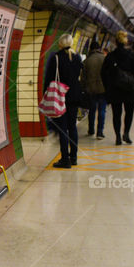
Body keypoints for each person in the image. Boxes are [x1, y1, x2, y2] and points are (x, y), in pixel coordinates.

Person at [44, 33, 84, 168]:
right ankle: (74, 157)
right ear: (71, 43)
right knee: (72, 127)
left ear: (60, 44)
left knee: (62, 129)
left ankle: (65, 159)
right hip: (74, 97)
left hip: (60, 97)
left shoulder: (56, 57)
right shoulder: (77, 57)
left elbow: (49, 79)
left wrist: (46, 94)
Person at [101, 31, 134, 145]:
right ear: (126, 41)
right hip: (129, 88)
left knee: (116, 114)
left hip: (115, 89)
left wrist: (107, 86)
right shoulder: (131, 55)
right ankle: (126, 133)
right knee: (129, 112)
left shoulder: (110, 56)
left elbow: (103, 73)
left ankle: (117, 136)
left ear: (115, 41)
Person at [82, 42, 107, 139]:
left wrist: (83, 88)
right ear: (99, 48)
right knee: (102, 110)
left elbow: (83, 77)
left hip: (91, 89)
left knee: (92, 110)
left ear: (91, 49)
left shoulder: (87, 60)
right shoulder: (104, 59)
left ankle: (91, 130)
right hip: (103, 89)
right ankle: (100, 132)